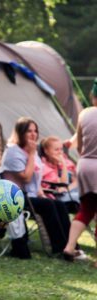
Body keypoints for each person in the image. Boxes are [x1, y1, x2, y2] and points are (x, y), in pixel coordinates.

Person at [0, 117, 81, 257]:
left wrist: (40, 191)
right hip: (14, 196)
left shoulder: (33, 151)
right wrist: (30, 154)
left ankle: (70, 247)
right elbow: (26, 177)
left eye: (35, 131)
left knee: (59, 204)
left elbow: (36, 178)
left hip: (31, 195)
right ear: (20, 132)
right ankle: (58, 248)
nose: (33, 134)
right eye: (29, 131)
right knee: (48, 205)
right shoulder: (13, 152)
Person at [63, 79, 97, 263]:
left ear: (93, 96)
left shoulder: (85, 113)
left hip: (84, 165)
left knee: (86, 209)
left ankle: (69, 247)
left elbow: (80, 144)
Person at [41, 136, 80, 213]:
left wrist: (68, 188)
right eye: (56, 149)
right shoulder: (45, 167)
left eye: (61, 149)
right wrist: (63, 164)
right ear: (46, 151)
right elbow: (62, 184)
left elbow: (77, 180)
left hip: (69, 191)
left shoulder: (67, 162)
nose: (60, 152)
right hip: (58, 197)